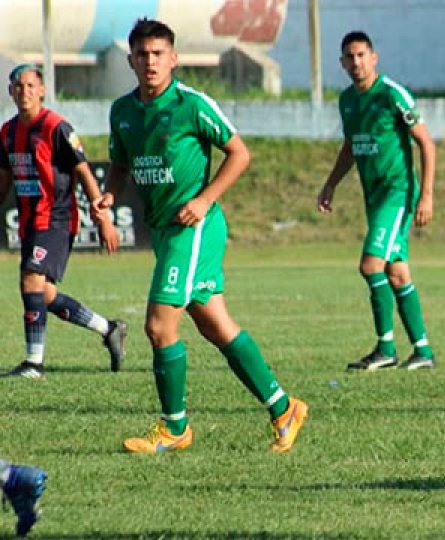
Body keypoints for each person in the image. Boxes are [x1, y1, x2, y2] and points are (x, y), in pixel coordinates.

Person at [94, 18, 307, 454]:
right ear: (130, 60)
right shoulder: (123, 112)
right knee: (216, 325)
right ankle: (284, 408)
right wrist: (109, 198)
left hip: (194, 228)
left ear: (173, 58)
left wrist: (206, 199)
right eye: (142, 54)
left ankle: (175, 428)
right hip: (167, 232)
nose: (150, 61)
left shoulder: (192, 105)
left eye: (158, 54)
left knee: (158, 326)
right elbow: (120, 164)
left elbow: (239, 153)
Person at [318, 31, 437, 371]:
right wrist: (330, 184)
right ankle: (423, 351)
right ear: (342, 63)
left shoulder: (392, 94)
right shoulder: (347, 101)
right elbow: (351, 146)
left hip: (397, 193)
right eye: (349, 57)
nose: (356, 62)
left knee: (370, 265)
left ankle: (385, 348)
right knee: (397, 273)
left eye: (361, 55)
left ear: (374, 57)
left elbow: (426, 144)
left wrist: (426, 195)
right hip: (374, 197)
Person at [0, 63, 126, 379]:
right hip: (29, 222)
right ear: (10, 91)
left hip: (56, 220)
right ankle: (108, 328)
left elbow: (83, 170)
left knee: (31, 279)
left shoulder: (57, 128)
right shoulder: (7, 132)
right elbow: (3, 180)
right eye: (18, 86)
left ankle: (33, 363)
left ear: (42, 90)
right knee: (44, 294)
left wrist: (103, 218)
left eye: (31, 86)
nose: (25, 91)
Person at [0, 459, 46, 537]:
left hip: (20, 481)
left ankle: (27, 521)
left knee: (24, 511)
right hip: (34, 475)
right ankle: (29, 518)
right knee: (26, 510)